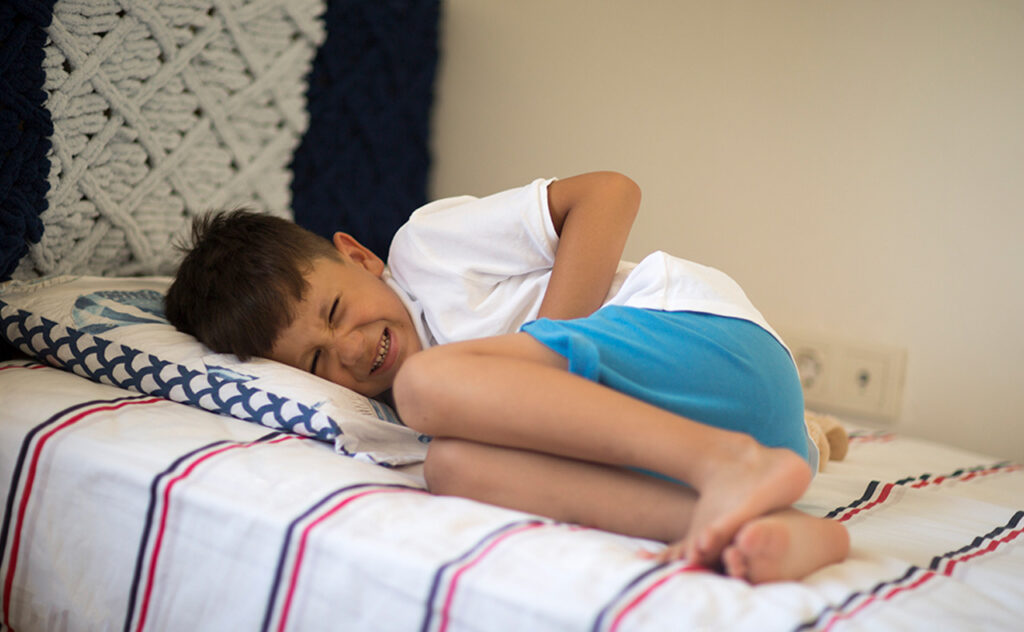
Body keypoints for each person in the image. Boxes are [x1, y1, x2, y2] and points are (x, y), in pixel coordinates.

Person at [165, 171, 849, 583]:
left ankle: (725, 464)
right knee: (456, 468)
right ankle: (760, 524)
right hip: (751, 434)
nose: (345, 351)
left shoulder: (427, 250)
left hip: (710, 344)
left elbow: (610, 194)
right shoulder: (403, 414)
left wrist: (541, 343)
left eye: (337, 311)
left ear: (361, 257)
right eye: (314, 361)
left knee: (428, 387)